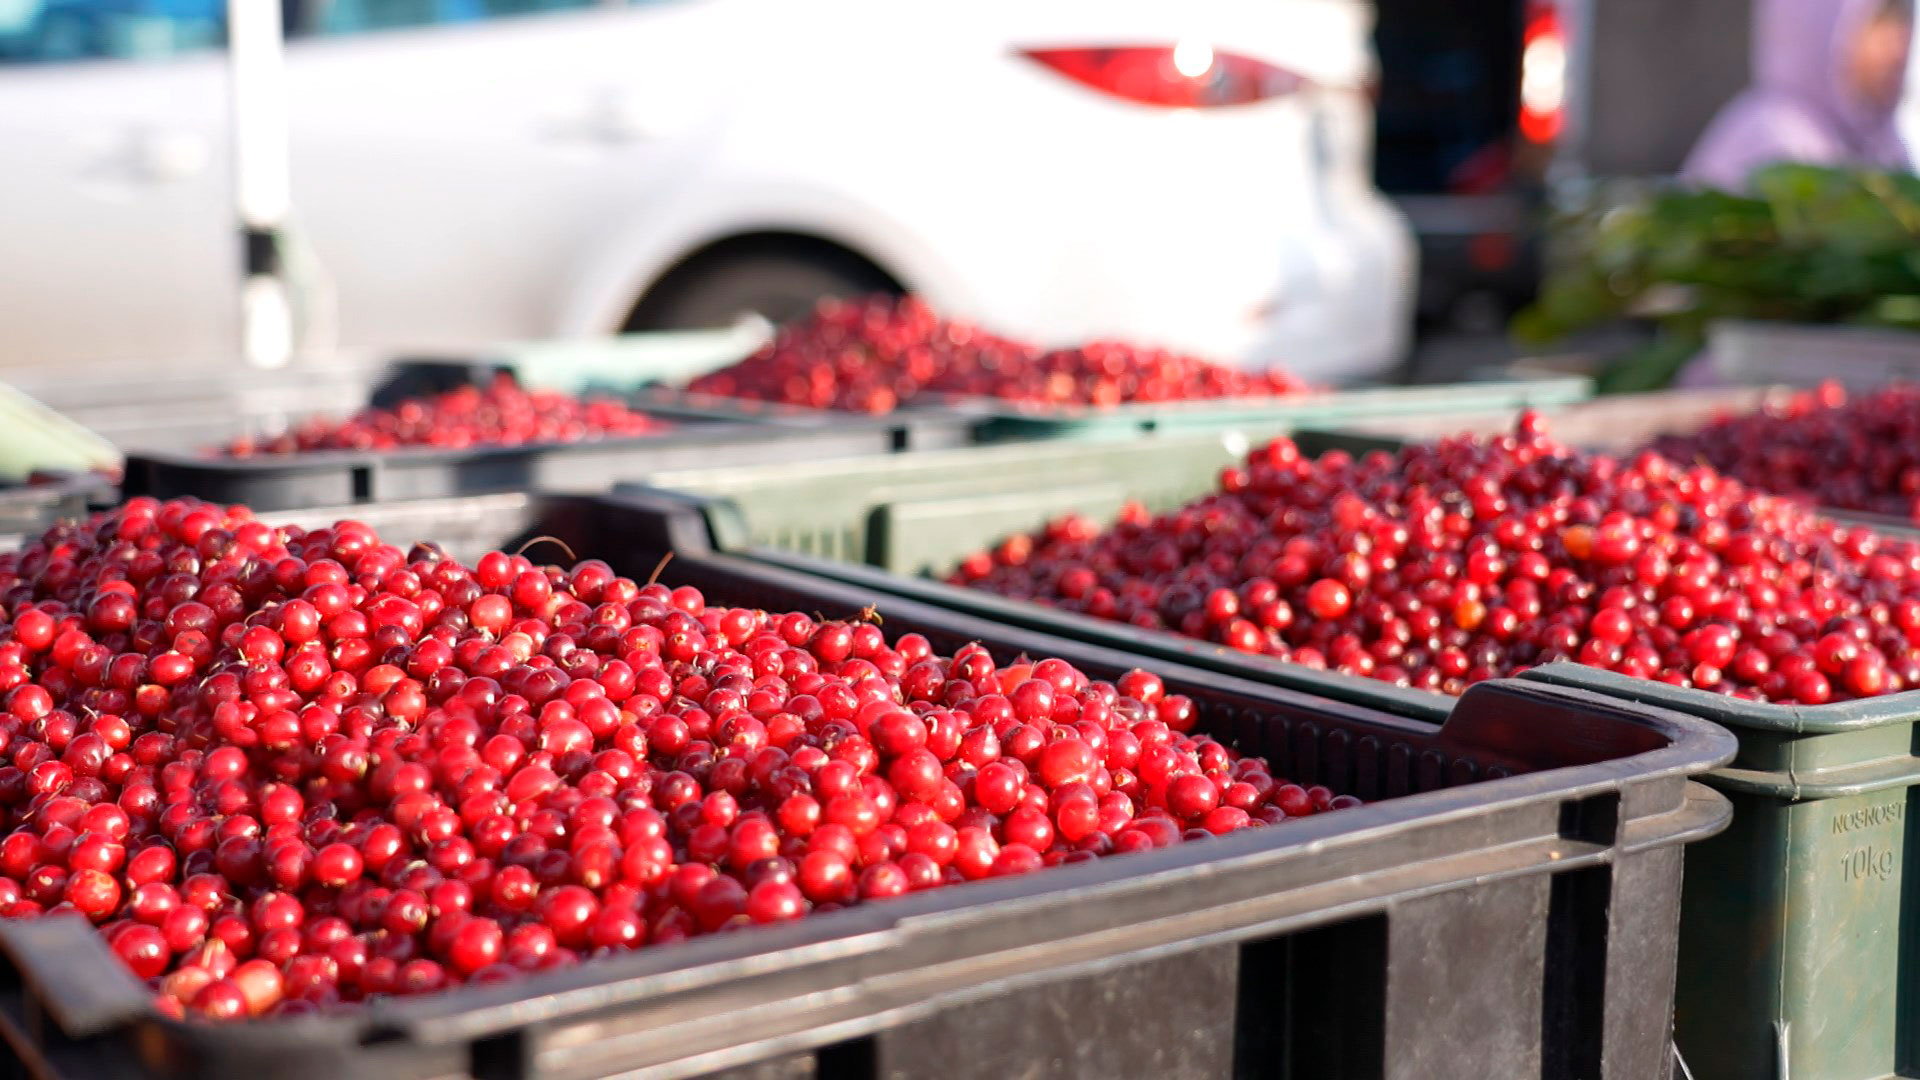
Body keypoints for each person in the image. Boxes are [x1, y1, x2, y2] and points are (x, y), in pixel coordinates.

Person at [1683, 0, 1913, 191]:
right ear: (1818, 27)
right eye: (1877, 22)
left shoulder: (1885, 148)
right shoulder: (1775, 140)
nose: (1898, 48)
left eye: (1903, 20)